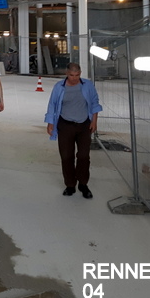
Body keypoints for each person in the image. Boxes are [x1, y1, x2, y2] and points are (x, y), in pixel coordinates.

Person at [44, 62, 102, 199]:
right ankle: (70, 185)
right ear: (66, 73)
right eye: (71, 75)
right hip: (65, 125)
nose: (74, 78)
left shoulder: (87, 85)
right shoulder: (59, 87)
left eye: (77, 75)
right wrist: (50, 123)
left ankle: (83, 184)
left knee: (83, 156)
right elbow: (52, 104)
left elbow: (94, 103)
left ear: (80, 74)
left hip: (84, 125)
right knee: (66, 156)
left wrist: (94, 121)